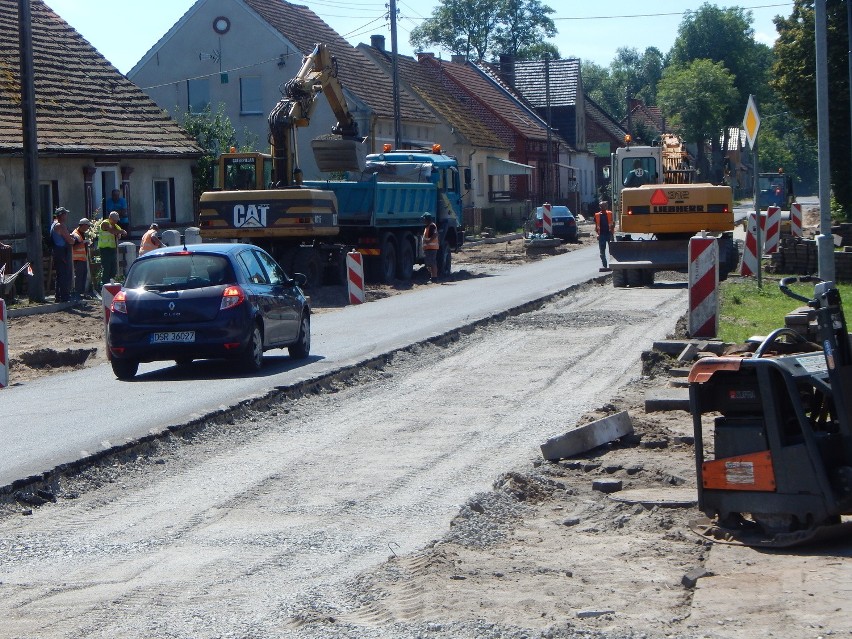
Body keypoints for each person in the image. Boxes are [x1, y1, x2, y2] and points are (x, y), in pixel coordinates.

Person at [49, 207, 75, 302]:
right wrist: (74, 239)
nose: (66, 216)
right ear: (62, 215)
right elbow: (69, 240)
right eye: (65, 214)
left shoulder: (53, 224)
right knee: (65, 275)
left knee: (59, 275)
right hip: (62, 252)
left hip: (56, 252)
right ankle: (65, 296)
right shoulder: (61, 225)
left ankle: (58, 296)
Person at [98, 211, 127, 286]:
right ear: (110, 218)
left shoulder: (116, 226)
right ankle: (104, 285)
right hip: (105, 249)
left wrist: (121, 233)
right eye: (114, 220)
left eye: (117, 220)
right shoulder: (105, 223)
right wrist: (121, 231)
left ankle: (112, 284)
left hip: (112, 249)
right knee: (106, 268)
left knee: (113, 268)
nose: (116, 222)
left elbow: (122, 233)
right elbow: (112, 231)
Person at [71, 218, 92, 297]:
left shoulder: (82, 233)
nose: (88, 228)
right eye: (87, 226)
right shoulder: (75, 233)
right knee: (79, 276)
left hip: (82, 258)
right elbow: (75, 243)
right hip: (77, 258)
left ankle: (81, 293)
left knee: (83, 275)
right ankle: (77, 293)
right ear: (83, 225)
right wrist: (84, 242)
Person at [595, 200, 615, 271]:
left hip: (609, 234)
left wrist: (612, 230)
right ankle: (605, 266)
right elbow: (596, 226)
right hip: (602, 235)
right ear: (600, 207)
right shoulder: (597, 215)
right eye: (602, 206)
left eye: (604, 205)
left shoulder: (609, 213)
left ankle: (613, 264)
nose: (603, 207)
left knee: (612, 251)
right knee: (602, 252)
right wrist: (597, 234)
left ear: (606, 206)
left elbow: (613, 223)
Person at [421, 212, 439, 281]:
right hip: (428, 248)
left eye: (424, 219)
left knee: (432, 263)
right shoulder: (428, 226)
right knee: (429, 263)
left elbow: (435, 234)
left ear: (427, 219)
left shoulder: (432, 226)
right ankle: (433, 277)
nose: (423, 220)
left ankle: (434, 277)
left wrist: (429, 242)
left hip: (432, 248)